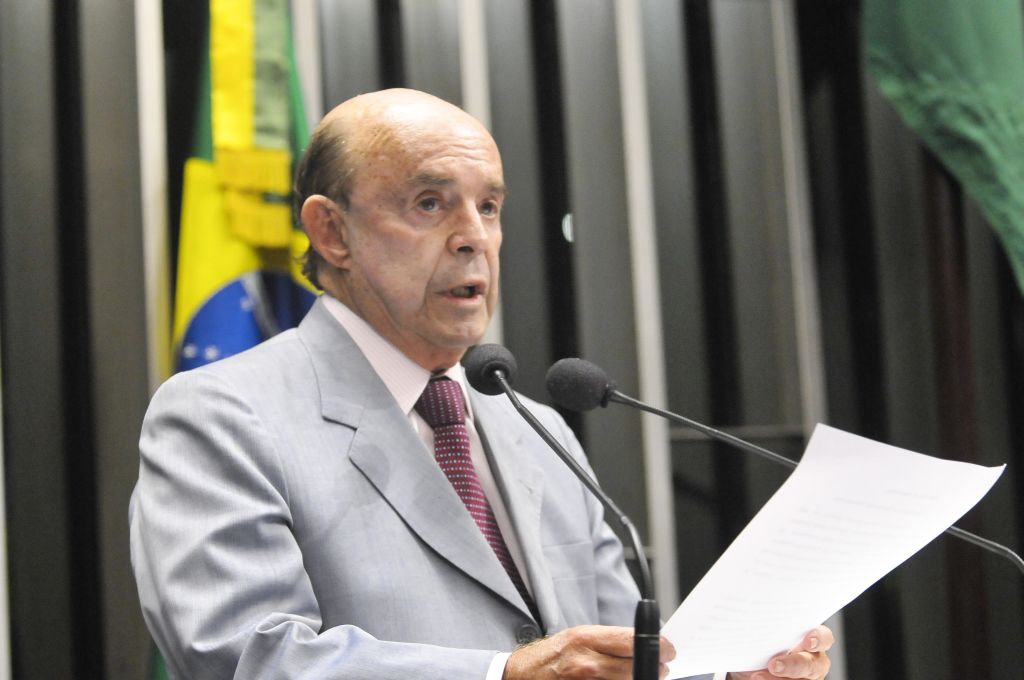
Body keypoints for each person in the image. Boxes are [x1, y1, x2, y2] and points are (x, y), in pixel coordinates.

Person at [130, 88, 832, 680]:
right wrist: (501, 675)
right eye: (430, 204)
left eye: (489, 207)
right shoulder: (223, 416)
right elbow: (247, 657)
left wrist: (727, 675)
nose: (475, 237)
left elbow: (620, 660)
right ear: (332, 232)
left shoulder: (538, 430)